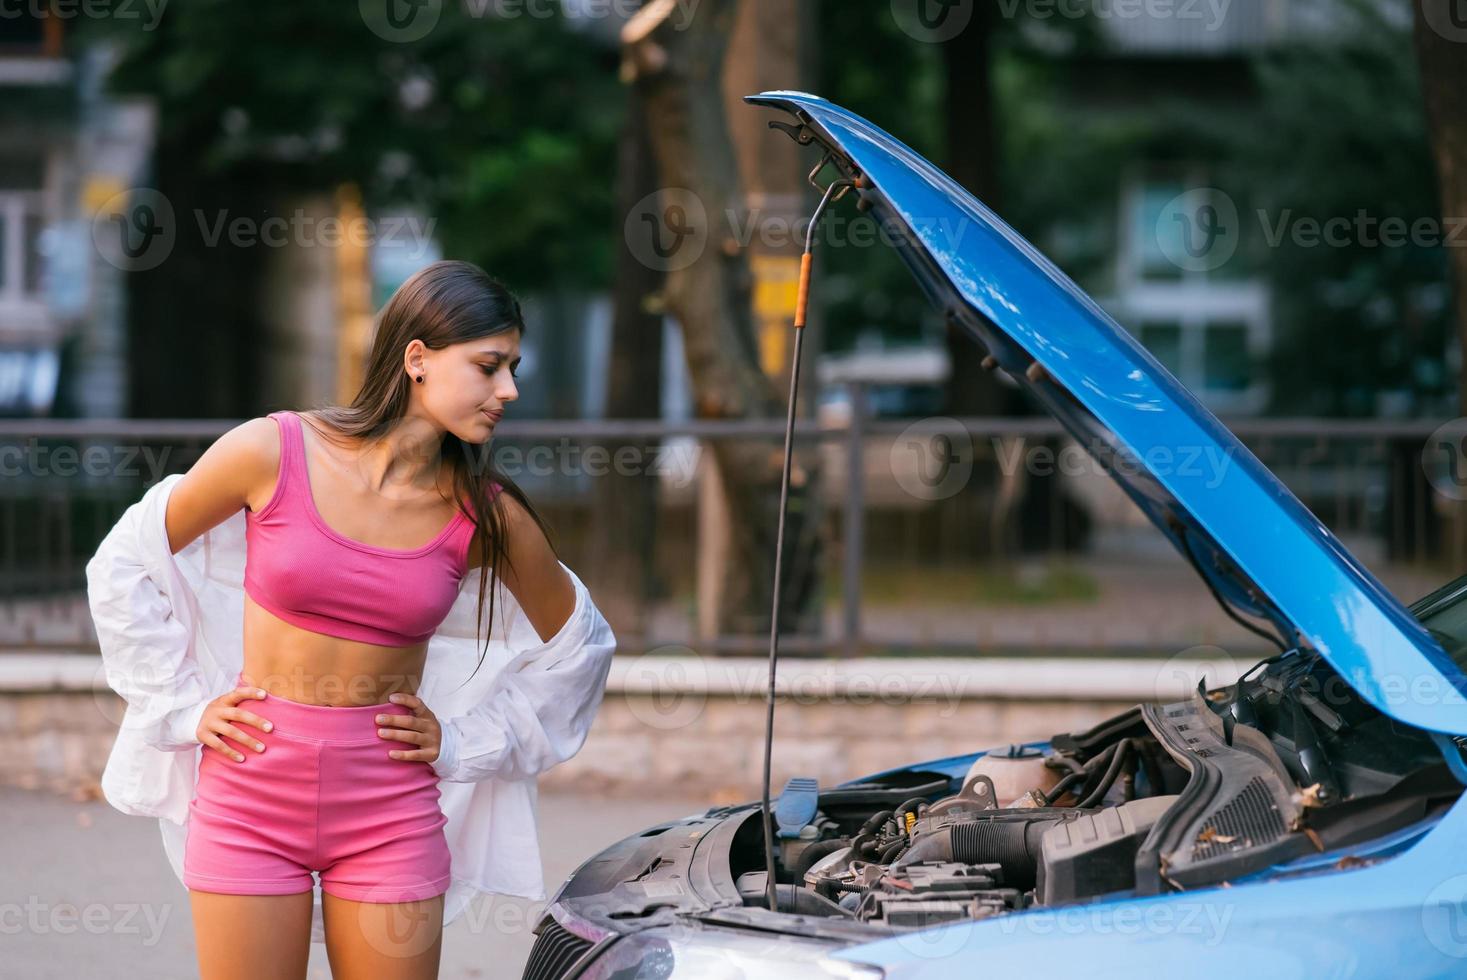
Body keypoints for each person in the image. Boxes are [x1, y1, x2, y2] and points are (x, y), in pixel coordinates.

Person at [85, 260, 617, 979]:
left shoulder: (488, 515)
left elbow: (579, 649)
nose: (509, 390)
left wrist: (465, 742)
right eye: (489, 366)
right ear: (417, 359)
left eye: (513, 368)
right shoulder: (271, 450)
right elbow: (125, 560)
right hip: (247, 792)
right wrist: (180, 708)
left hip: (389, 807)